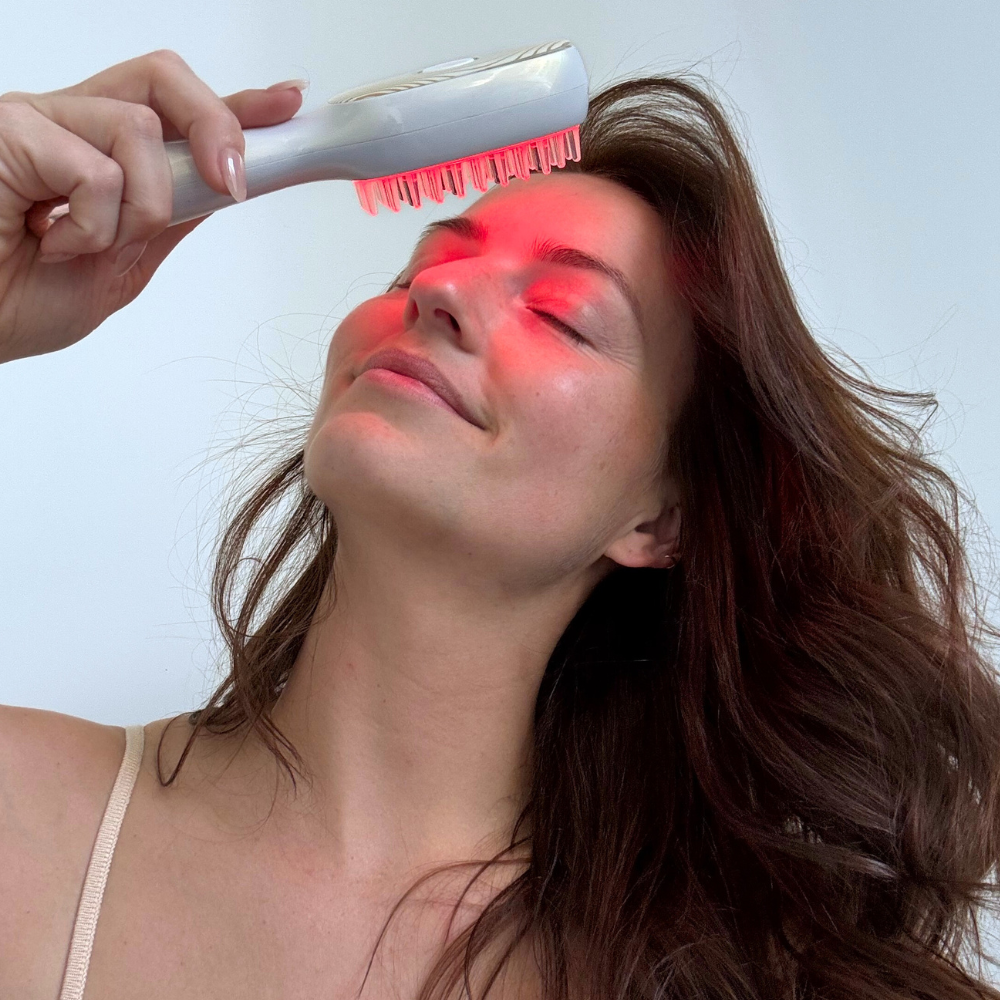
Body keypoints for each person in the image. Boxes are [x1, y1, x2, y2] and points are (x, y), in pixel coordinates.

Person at [1, 46, 998, 1000]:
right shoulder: (27, 819)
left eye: (563, 314)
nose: (434, 294)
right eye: (415, 270)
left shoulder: (742, 979)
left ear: (661, 519)